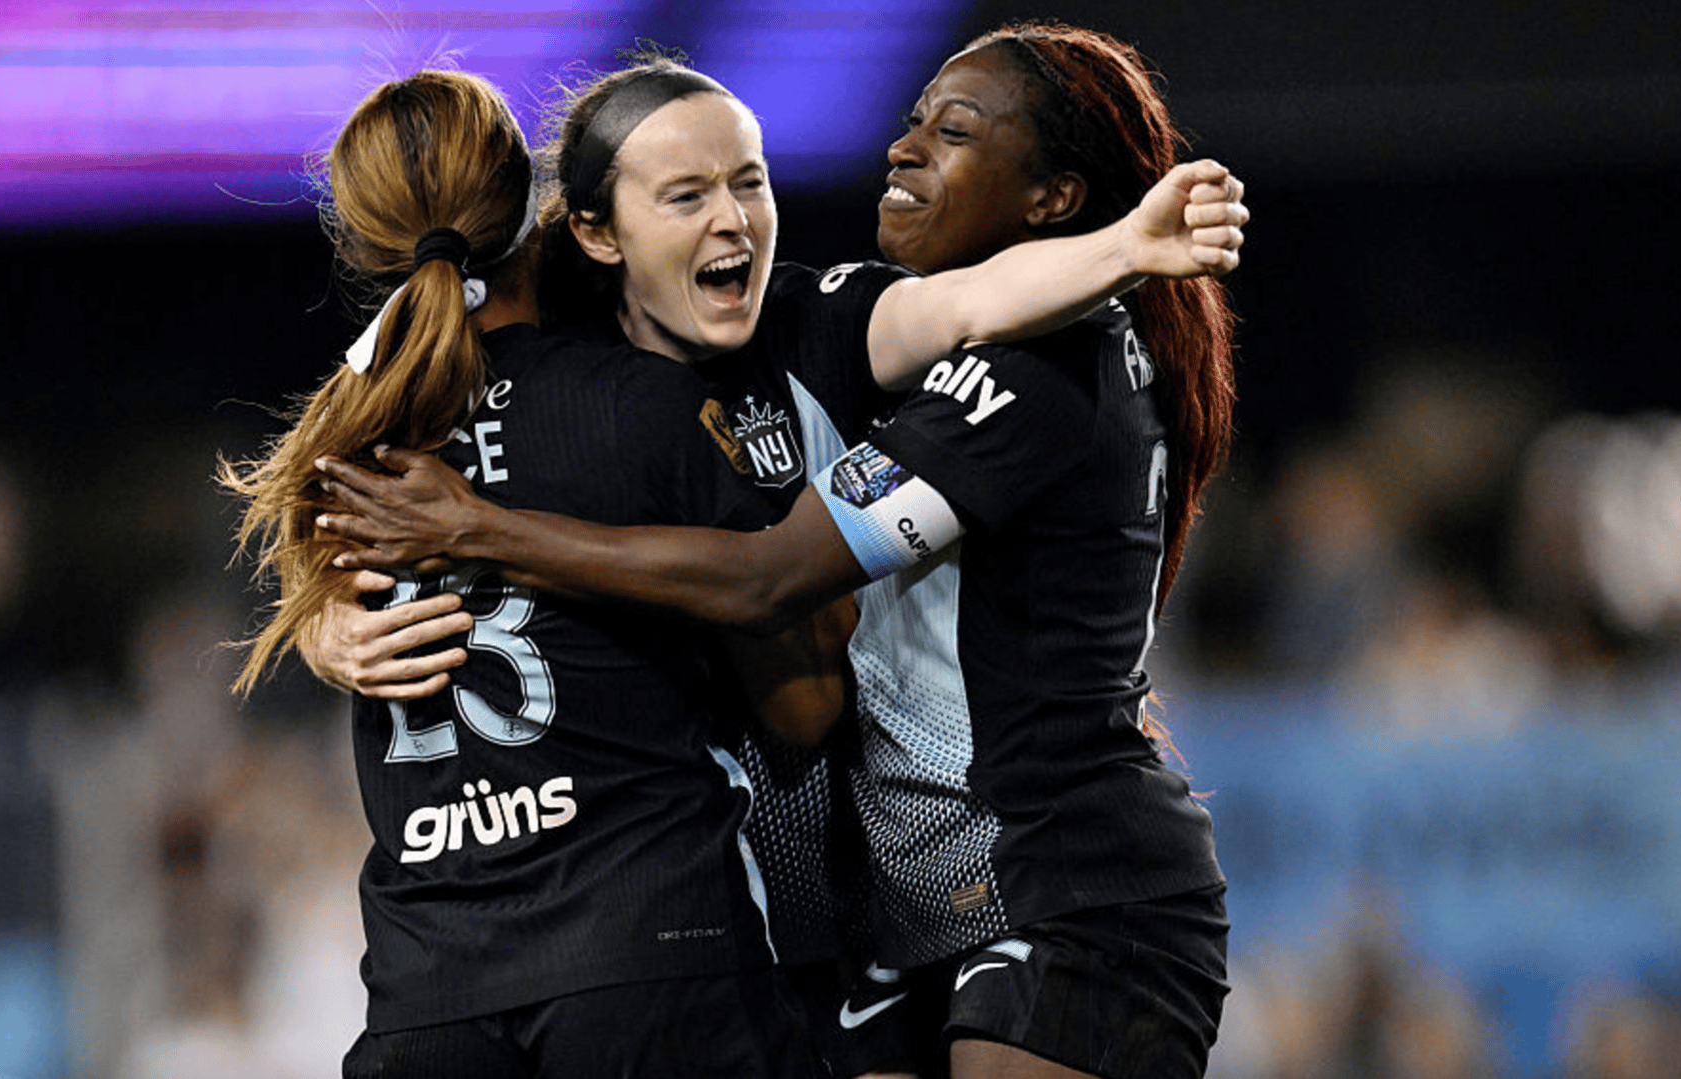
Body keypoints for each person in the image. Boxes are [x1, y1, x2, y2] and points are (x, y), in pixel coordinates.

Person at [313, 22, 1240, 1079]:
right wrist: (331, 612)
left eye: (749, 181)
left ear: (1053, 197)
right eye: (685, 194)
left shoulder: (905, 340)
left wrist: (474, 532)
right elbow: (368, 410)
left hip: (1049, 881)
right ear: (595, 233)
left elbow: (778, 583)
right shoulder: (612, 363)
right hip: (872, 923)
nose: (732, 218)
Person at [221, 68, 849, 1079]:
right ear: (539, 204)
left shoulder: (345, 445)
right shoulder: (643, 404)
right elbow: (807, 705)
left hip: (430, 999)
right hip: (652, 962)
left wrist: (321, 623)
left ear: (361, 242)